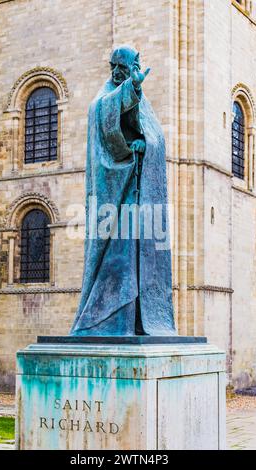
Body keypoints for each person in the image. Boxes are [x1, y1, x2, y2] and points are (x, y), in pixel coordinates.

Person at [70, 46, 176, 337]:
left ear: (133, 66)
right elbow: (103, 113)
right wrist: (131, 88)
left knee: (142, 255)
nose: (117, 71)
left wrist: (144, 146)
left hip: (141, 193)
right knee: (120, 257)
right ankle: (108, 321)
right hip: (117, 195)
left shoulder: (143, 103)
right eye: (113, 66)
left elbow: (153, 136)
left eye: (123, 67)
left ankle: (140, 322)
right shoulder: (106, 96)